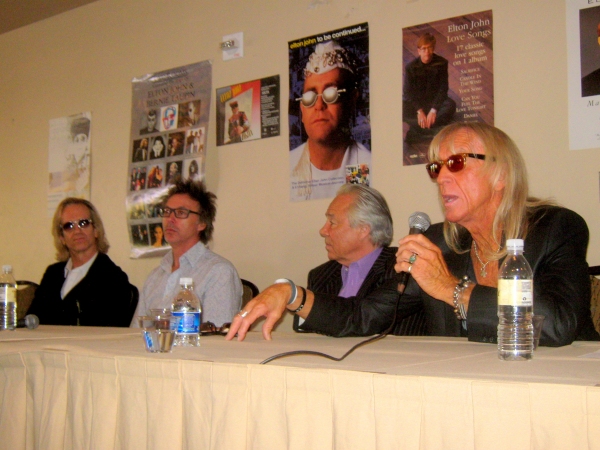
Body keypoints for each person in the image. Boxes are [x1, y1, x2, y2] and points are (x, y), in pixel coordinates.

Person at [392, 122, 598, 346]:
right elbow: (372, 313)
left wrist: (451, 289)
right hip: (468, 377)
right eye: (436, 168)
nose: (441, 178)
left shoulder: (556, 228)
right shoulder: (437, 241)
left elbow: (558, 324)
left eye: (456, 162)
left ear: (500, 175)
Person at [225, 184, 425, 341]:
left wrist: (292, 294)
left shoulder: (402, 268)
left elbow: (362, 318)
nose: (323, 230)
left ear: (364, 229)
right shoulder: (321, 275)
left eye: (333, 222)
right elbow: (311, 336)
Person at [131, 178, 242, 327]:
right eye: (167, 211)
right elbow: (136, 332)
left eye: (181, 213)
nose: (170, 219)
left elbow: (217, 340)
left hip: (193, 350)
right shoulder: (155, 276)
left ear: (202, 223)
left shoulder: (219, 272)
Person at [28, 198, 135, 326]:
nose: (77, 231)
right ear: (61, 237)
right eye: (69, 226)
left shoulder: (113, 278)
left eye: (83, 223)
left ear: (96, 230)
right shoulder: (52, 274)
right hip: (44, 344)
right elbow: (32, 320)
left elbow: (105, 330)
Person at [290, 40, 371, 201]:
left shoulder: (366, 165)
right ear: (302, 108)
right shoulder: (288, 167)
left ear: (351, 100)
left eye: (330, 94)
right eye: (310, 96)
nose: (319, 105)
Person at [403, 33, 456, 143]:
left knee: (451, 105)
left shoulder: (442, 63)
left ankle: (418, 131)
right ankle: (434, 131)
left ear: (433, 48)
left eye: (430, 48)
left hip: (435, 102)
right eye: (424, 49)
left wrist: (434, 110)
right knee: (400, 109)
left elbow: (443, 89)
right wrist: (420, 111)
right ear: (419, 51)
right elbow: (407, 93)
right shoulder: (410, 67)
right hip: (418, 105)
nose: (427, 52)